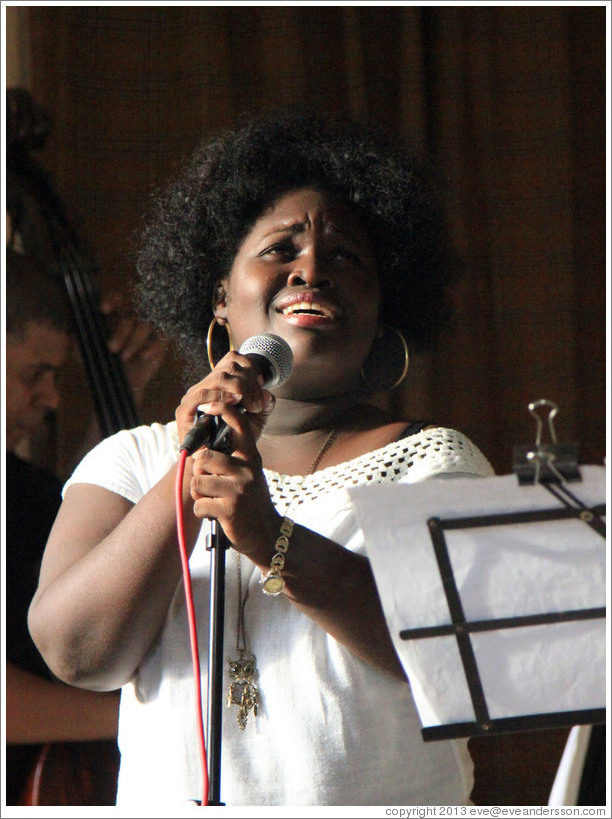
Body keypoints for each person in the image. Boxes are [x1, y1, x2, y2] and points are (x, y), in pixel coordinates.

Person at [28, 109, 495, 807]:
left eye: (346, 258)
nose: (311, 269)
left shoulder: (432, 462)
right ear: (220, 294)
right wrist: (187, 479)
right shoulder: (133, 459)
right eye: (280, 249)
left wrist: (269, 536)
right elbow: (78, 653)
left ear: (381, 310)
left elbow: (457, 663)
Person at [4, 248, 165, 805]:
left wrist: (119, 400)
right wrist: (148, 713)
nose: (50, 397)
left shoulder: (22, 489)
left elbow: (85, 558)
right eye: (35, 373)